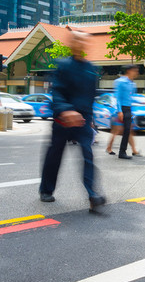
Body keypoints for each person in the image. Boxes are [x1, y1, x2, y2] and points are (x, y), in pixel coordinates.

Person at [39, 31, 106, 212]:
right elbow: (57, 92)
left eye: (84, 40)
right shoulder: (63, 65)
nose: (81, 42)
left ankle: (92, 194)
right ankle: (46, 190)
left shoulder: (91, 69)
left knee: (87, 155)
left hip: (83, 121)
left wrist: (90, 120)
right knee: (55, 155)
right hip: (63, 120)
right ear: (71, 43)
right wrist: (66, 110)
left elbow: (90, 97)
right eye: (77, 39)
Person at [115, 65, 139, 159]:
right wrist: (119, 111)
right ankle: (122, 152)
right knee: (125, 130)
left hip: (128, 108)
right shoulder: (120, 82)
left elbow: (131, 98)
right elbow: (118, 97)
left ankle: (122, 151)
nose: (136, 73)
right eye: (135, 71)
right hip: (123, 108)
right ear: (129, 71)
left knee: (127, 130)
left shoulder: (132, 84)